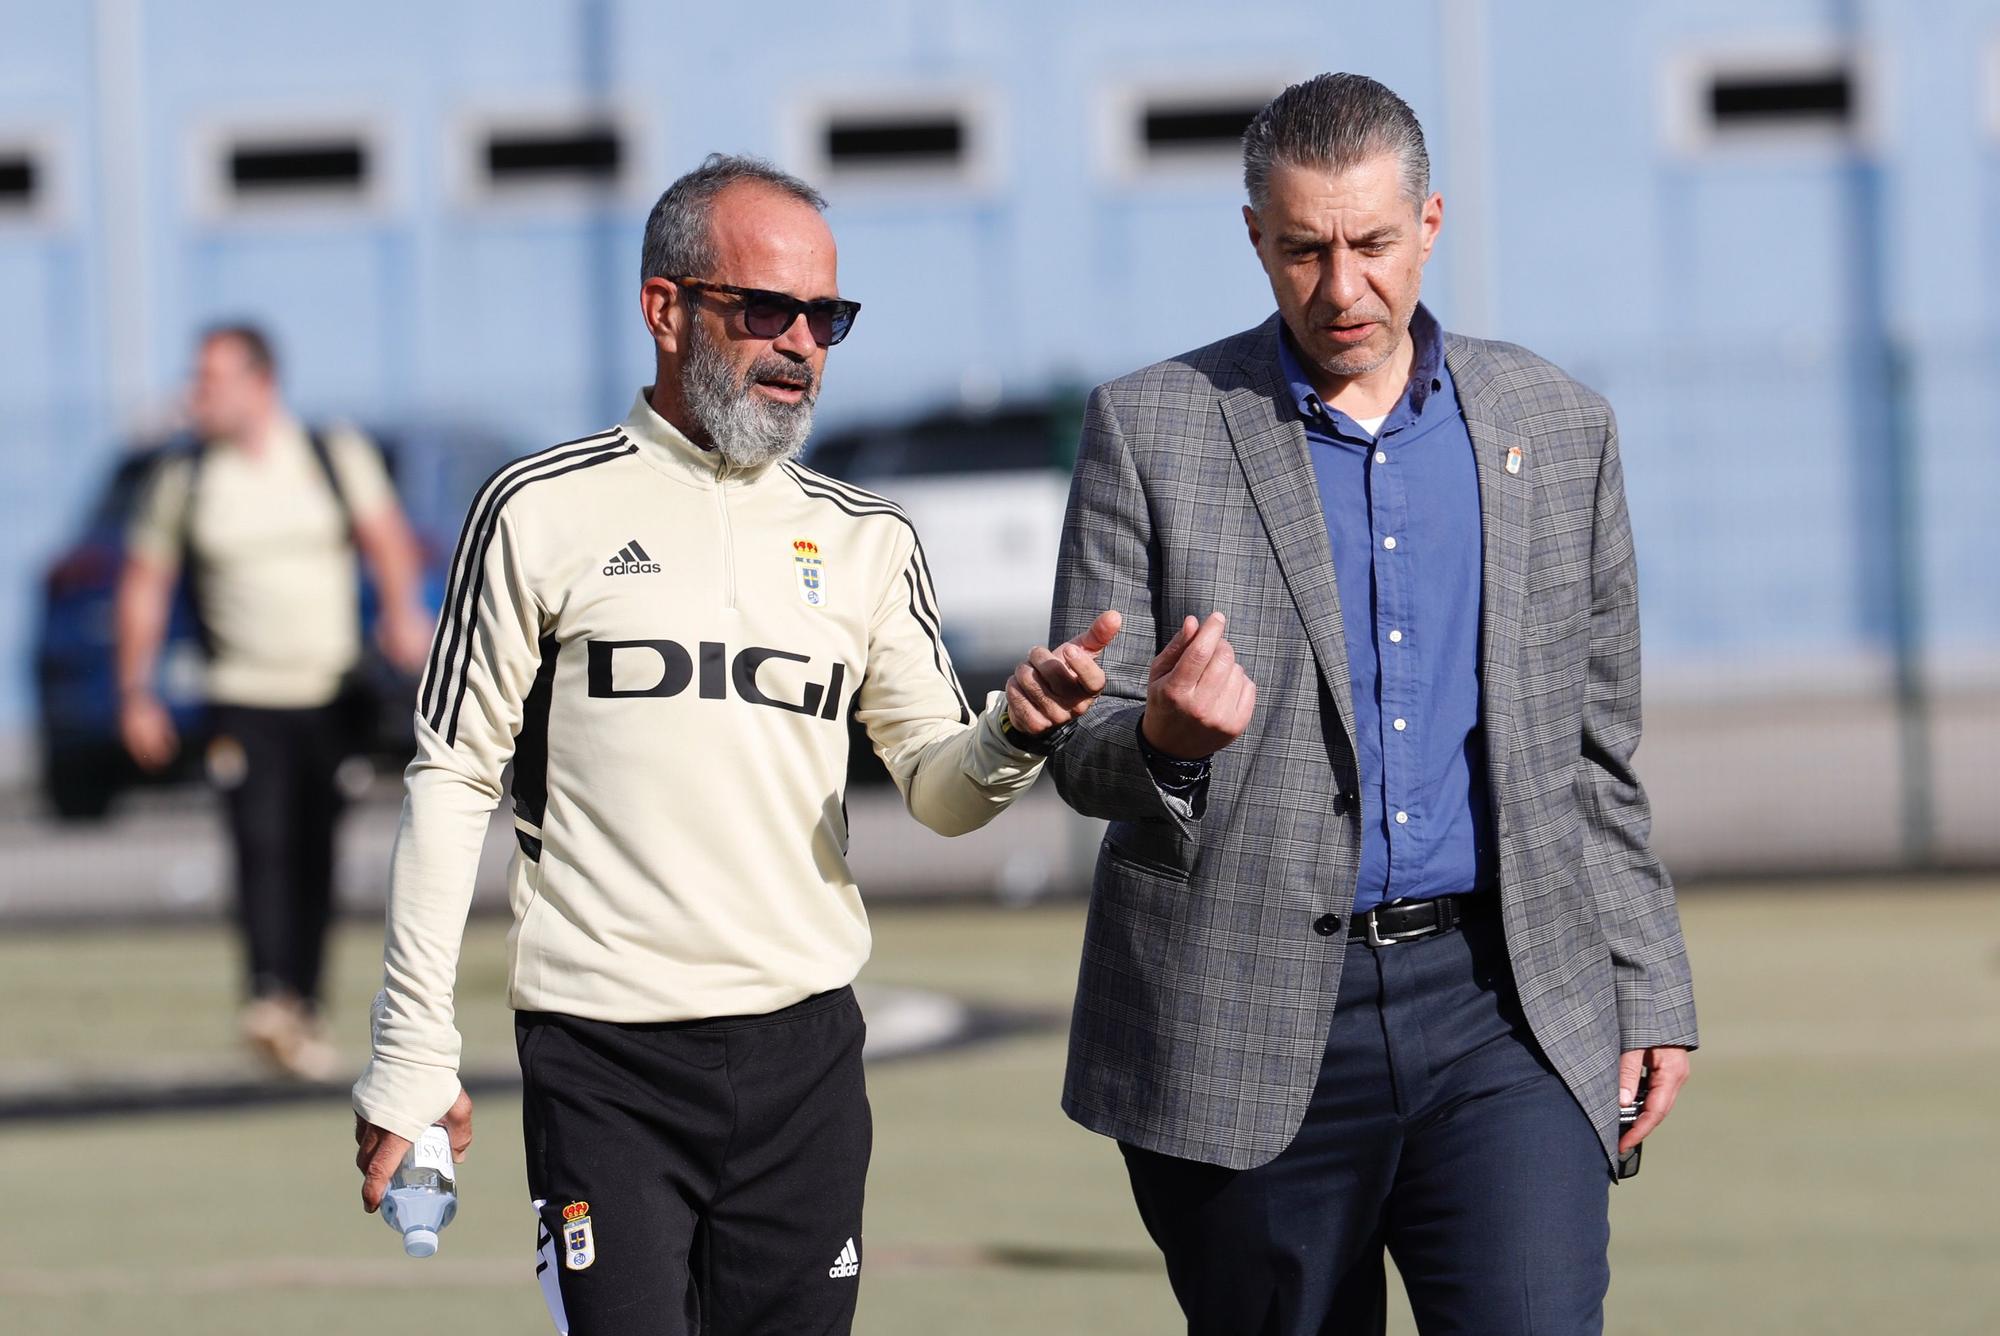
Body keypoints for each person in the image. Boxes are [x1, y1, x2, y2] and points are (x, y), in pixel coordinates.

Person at [349, 153, 1117, 1336]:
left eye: (827, 316)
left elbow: (938, 788)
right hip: (602, 1054)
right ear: (666, 307)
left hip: (803, 1055)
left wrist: (1012, 731)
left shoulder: (864, 537)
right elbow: (452, 777)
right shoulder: (537, 507)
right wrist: (412, 1050)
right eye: (767, 309)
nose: (801, 343)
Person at [1044, 73, 1699, 1334]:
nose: (1340, 287)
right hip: (1240, 1020)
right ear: (1254, 239)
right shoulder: (1151, 428)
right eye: (1301, 250)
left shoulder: (1561, 430)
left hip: (1502, 1011)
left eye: (1370, 244)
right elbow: (1082, 745)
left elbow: (1595, 754)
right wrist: (1162, 741)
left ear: (1430, 224)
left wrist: (1649, 982)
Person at [117, 324, 432, 1080]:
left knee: (314, 848)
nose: (198, 395)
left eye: (213, 379)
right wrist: (137, 690)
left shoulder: (329, 454)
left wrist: (401, 614)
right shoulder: (185, 478)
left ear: (260, 382)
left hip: (326, 691)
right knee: (258, 842)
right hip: (239, 693)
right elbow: (144, 587)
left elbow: (385, 538)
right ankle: (266, 996)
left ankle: (305, 1010)